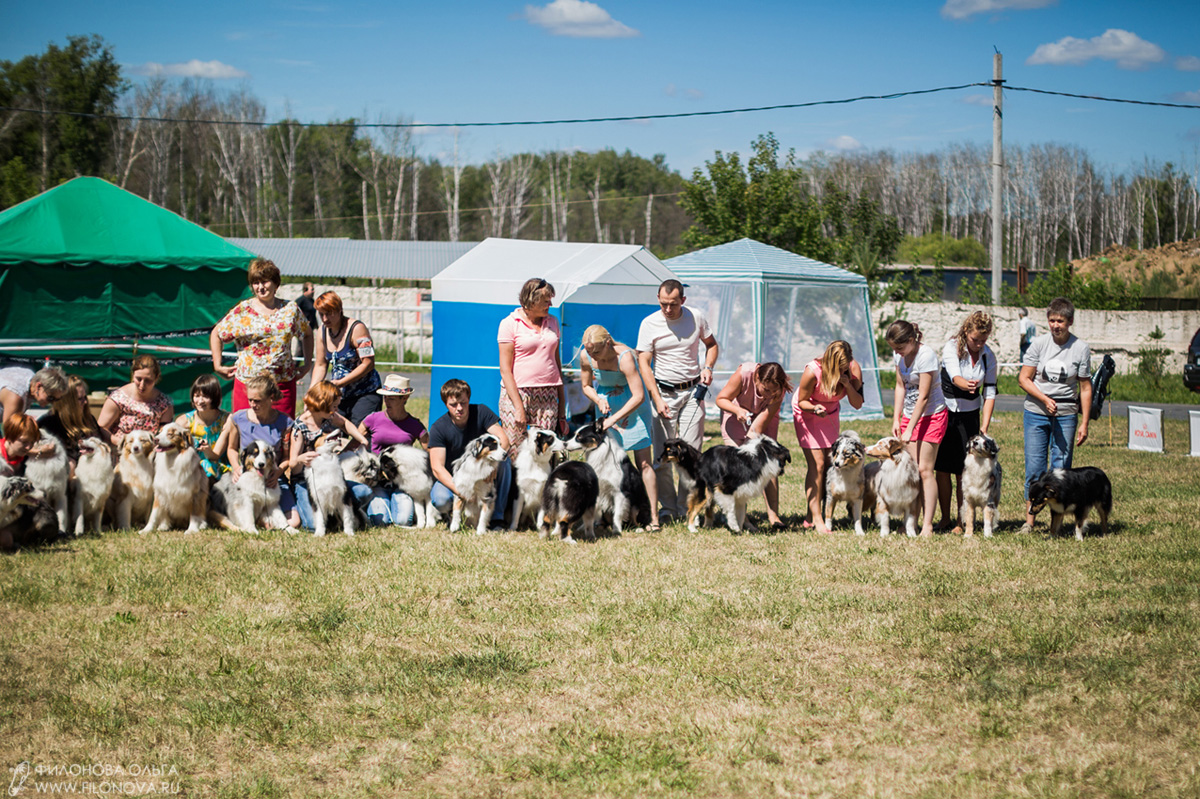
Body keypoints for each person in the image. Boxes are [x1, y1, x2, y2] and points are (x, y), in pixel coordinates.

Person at [637, 279, 720, 523]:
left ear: (683, 300)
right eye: (663, 304)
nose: (668, 309)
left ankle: (686, 509)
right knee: (662, 456)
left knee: (691, 454)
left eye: (673, 304)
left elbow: (712, 345)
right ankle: (668, 509)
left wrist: (708, 367)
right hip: (663, 394)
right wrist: (656, 397)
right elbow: (644, 361)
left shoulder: (696, 317)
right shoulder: (649, 323)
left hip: (694, 392)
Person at [1018, 297, 1092, 535]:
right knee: (1035, 469)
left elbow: (1085, 388)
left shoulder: (1080, 348)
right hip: (1036, 413)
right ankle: (1029, 523)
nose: (1055, 325)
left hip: (1066, 415)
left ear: (1070, 321)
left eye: (1060, 320)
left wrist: (1085, 422)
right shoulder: (1038, 344)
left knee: (1060, 471)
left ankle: (1055, 526)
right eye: (1051, 320)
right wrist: (1043, 399)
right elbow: (1023, 379)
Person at [579, 324, 659, 531]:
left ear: (607, 343)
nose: (593, 356)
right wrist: (597, 400)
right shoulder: (586, 357)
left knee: (643, 464)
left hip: (632, 408)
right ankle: (606, 516)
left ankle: (652, 517)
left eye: (596, 351)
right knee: (605, 464)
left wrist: (614, 419)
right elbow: (586, 386)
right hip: (606, 408)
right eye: (589, 351)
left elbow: (639, 395)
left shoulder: (625, 357)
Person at [210, 257, 313, 416]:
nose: (260, 287)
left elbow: (307, 334)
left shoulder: (290, 309)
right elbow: (217, 333)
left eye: (265, 281)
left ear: (275, 283)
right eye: (256, 283)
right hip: (248, 386)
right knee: (245, 436)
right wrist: (217, 364)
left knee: (283, 436)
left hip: (281, 385)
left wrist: (307, 364)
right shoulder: (242, 310)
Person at [792, 341, 865, 534]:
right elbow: (802, 401)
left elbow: (858, 404)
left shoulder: (853, 369)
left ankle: (812, 513)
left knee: (828, 464)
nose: (843, 369)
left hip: (830, 414)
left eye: (845, 366)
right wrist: (815, 408)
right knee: (817, 466)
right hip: (808, 412)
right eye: (839, 367)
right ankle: (816, 519)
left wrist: (848, 384)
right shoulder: (812, 371)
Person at [934, 312, 998, 532]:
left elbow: (990, 392)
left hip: (970, 416)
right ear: (966, 332)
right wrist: (965, 384)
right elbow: (954, 376)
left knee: (964, 469)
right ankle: (944, 518)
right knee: (941, 468)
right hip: (945, 412)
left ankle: (962, 521)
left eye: (983, 340)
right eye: (975, 340)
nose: (979, 344)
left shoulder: (988, 356)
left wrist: (984, 427)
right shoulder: (952, 348)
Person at [886, 320, 947, 538]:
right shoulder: (899, 356)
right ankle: (910, 522)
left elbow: (924, 396)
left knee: (924, 470)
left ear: (912, 340)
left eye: (900, 348)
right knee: (911, 473)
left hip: (932, 415)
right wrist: (896, 419)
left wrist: (910, 428)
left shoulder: (926, 355)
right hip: (909, 416)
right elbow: (900, 386)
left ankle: (928, 525)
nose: (897, 353)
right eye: (894, 349)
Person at [716, 361, 793, 530]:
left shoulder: (777, 391)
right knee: (739, 467)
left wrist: (752, 442)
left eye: (774, 392)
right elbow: (720, 399)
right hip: (735, 415)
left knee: (768, 463)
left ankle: (774, 515)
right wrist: (737, 411)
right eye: (766, 390)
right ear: (757, 378)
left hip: (764, 418)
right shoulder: (744, 374)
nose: (769, 395)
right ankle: (742, 518)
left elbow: (758, 426)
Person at [288, 381, 372, 531]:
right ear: (322, 404)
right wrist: (301, 459)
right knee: (312, 526)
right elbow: (293, 463)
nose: (336, 410)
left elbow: (345, 423)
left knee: (364, 492)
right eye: (334, 406)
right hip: (306, 482)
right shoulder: (300, 427)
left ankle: (338, 514)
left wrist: (361, 438)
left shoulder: (328, 416)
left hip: (330, 476)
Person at [428, 378, 511, 526]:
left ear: (469, 399)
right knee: (441, 500)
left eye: (463, 403)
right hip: (455, 477)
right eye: (453, 405)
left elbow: (504, 440)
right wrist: (461, 491)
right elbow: (437, 468)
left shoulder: (482, 412)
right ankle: (452, 516)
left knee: (505, 462)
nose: (459, 408)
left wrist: (493, 466)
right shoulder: (438, 428)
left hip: (482, 472)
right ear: (445, 404)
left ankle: (498, 517)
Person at [223, 373, 300, 530]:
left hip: (273, 479)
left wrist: (278, 472)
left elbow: (286, 458)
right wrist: (236, 468)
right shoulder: (238, 419)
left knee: (294, 523)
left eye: (257, 401)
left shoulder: (285, 422)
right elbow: (231, 449)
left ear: (270, 398)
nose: (252, 404)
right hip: (247, 478)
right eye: (250, 400)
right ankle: (258, 519)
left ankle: (266, 516)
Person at [497, 277, 567, 450]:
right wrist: (519, 408)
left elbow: (556, 362)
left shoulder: (553, 322)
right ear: (531, 300)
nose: (550, 304)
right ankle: (512, 478)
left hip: (548, 393)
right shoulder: (509, 323)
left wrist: (562, 407)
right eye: (545, 300)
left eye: (550, 299)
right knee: (514, 448)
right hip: (518, 394)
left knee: (545, 451)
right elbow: (505, 370)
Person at [359, 374, 428, 526]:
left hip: (403, 483)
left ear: (405, 398)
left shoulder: (415, 425)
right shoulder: (372, 419)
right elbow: (356, 442)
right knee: (379, 520)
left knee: (403, 521)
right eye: (385, 397)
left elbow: (429, 452)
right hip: (377, 481)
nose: (386, 401)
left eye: (392, 398)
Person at [311, 290, 383, 426]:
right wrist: (312, 393)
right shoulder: (322, 331)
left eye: (329, 313)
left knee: (361, 434)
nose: (325, 319)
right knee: (330, 434)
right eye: (321, 314)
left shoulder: (358, 329)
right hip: (338, 396)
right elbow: (320, 365)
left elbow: (368, 363)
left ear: (340, 310)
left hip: (365, 393)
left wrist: (341, 382)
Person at [36, 375, 106, 479]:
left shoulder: (88, 419)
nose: (85, 402)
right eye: (79, 399)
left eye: (85, 397)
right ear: (67, 402)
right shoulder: (49, 423)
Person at [96, 355, 174, 448]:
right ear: (133, 375)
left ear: (156, 378)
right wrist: (121, 443)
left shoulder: (165, 403)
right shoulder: (118, 398)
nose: (142, 385)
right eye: (138, 379)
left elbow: (165, 432)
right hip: (121, 451)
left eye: (148, 380)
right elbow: (101, 428)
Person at [176, 374, 230, 482]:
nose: (200, 401)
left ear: (214, 397)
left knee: (207, 465)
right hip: (190, 466)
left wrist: (206, 450)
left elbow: (215, 456)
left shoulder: (226, 420)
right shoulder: (183, 422)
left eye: (205, 396)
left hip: (216, 466)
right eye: (196, 396)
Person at [0, 365, 68, 425]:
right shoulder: (15, 395)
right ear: (38, 386)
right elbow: (10, 433)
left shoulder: (31, 377)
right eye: (50, 398)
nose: (52, 403)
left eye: (57, 399)